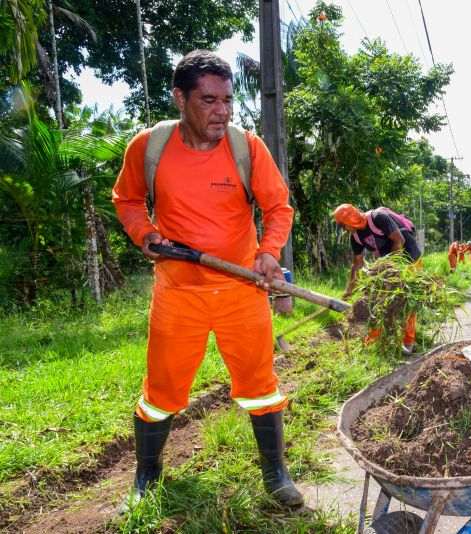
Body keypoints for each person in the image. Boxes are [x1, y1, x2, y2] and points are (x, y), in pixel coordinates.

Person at [112, 50, 303, 509]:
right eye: (209, 100)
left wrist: (268, 253)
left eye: (228, 100)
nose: (222, 111)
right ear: (180, 98)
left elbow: (278, 207)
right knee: (161, 392)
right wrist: (145, 232)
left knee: (262, 385)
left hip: (241, 292)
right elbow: (128, 199)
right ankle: (147, 479)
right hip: (178, 294)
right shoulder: (149, 146)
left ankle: (276, 474)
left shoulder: (245, 147)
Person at [334, 204, 421, 356]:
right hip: (388, 262)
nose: (344, 230)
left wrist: (390, 268)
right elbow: (357, 265)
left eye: (343, 226)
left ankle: (408, 341)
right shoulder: (355, 238)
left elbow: (399, 240)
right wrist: (349, 290)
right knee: (377, 299)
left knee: (408, 300)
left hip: (409, 256)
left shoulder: (378, 218)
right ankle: (373, 340)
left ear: (350, 219)